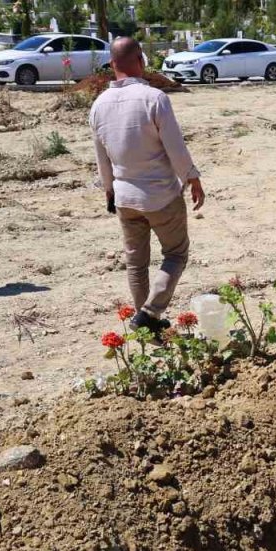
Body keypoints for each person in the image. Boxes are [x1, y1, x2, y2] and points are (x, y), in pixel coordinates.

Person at [91, 37, 206, 334]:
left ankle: (146, 327)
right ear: (141, 61)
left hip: (125, 197)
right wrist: (192, 177)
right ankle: (150, 312)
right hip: (161, 197)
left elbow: (101, 158)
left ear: (112, 65)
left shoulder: (98, 105)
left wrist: (109, 191)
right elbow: (175, 148)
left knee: (136, 264)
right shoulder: (153, 98)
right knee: (176, 254)